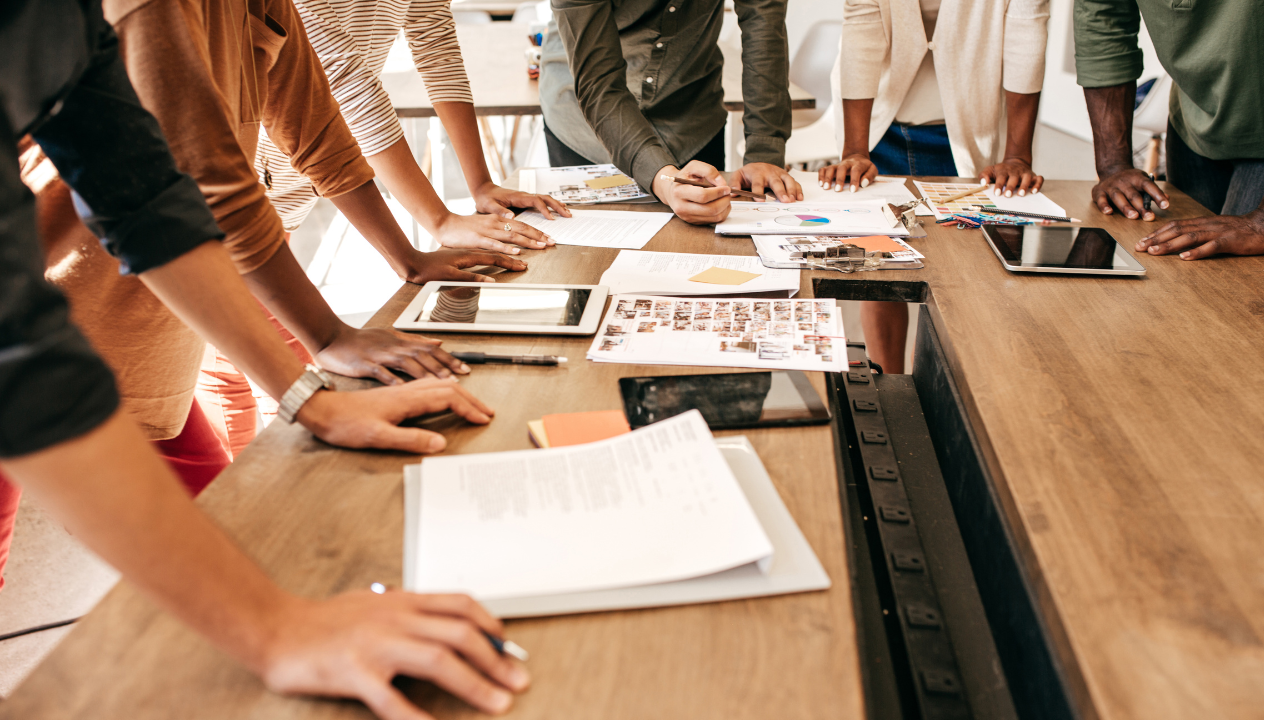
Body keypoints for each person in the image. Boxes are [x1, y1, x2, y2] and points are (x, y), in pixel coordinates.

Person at [1, 2, 528, 716]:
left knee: (240, 530)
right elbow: (25, 340)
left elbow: (148, 195)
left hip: (106, 319)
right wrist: (274, 631)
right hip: (56, 307)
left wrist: (313, 390)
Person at [819, 0, 1050, 373]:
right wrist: (855, 150)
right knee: (880, 269)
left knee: (960, 277)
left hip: (969, 129)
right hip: (879, 123)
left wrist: (1018, 155)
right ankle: (889, 386)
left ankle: (940, 391)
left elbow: (1027, 37)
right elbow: (862, 33)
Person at [256, 0, 572, 258]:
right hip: (256, 160)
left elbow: (436, 45)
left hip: (305, 160)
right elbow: (346, 82)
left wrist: (481, 185)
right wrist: (440, 221)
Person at [539, 0, 802, 226]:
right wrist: (664, 180)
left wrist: (764, 151)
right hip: (587, 130)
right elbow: (599, 84)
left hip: (691, 117)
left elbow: (764, 29)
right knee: (593, 259)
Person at [1074, 0, 1264, 260]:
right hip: (1192, 122)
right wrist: (1113, 165)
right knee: (1178, 267)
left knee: (1248, 279)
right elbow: (1103, 17)